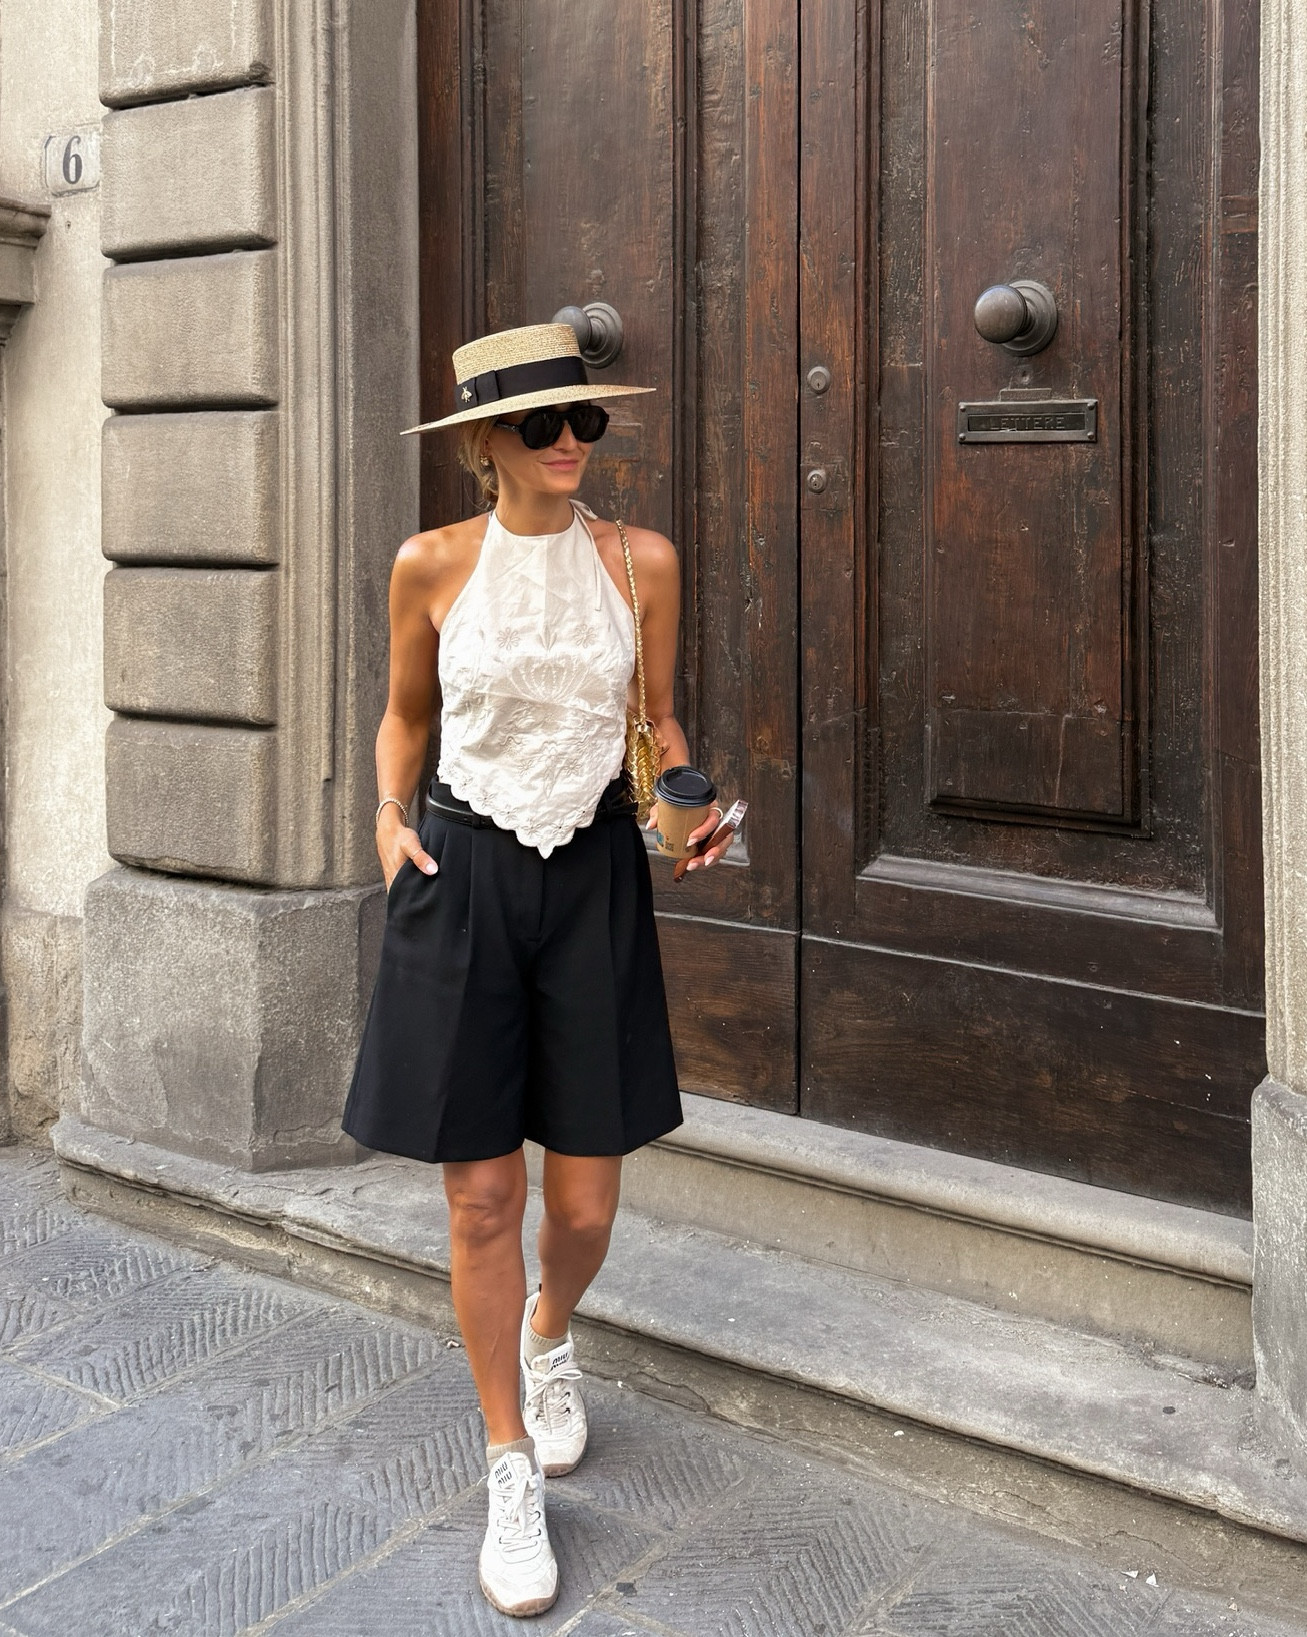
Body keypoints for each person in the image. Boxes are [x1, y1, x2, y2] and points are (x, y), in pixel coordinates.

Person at [341, 322, 735, 1617]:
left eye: (586, 423)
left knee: (584, 1205)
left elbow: (658, 719)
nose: (570, 442)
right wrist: (387, 821)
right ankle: (510, 1461)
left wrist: (688, 814)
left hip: (591, 880)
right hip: (462, 876)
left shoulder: (642, 562)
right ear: (481, 442)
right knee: (477, 1202)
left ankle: (551, 1329)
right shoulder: (429, 567)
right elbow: (406, 714)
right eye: (541, 424)